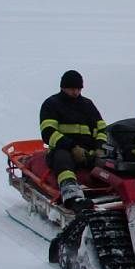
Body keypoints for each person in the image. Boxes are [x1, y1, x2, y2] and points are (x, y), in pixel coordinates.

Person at [39, 70, 107, 212]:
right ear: (63, 87)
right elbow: (48, 133)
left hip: (88, 151)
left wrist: (100, 147)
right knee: (62, 159)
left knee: (110, 164)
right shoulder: (51, 104)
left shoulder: (87, 104)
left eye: (78, 89)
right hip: (63, 151)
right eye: (72, 89)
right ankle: (72, 196)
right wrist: (72, 147)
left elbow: (101, 128)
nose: (76, 92)